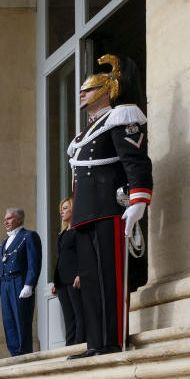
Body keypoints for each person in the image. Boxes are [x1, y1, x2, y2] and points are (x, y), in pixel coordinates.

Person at [67, 54, 152, 359]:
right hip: (87, 212)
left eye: (88, 90)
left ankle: (112, 341)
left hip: (108, 208)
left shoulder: (121, 117)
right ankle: (95, 344)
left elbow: (136, 162)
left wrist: (139, 200)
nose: (81, 94)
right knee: (90, 281)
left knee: (109, 278)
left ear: (105, 91)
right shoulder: (85, 133)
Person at [0, 209, 42, 356]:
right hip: (6, 284)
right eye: (5, 219)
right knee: (8, 320)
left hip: (19, 282)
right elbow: (0, 267)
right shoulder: (4, 242)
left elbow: (34, 263)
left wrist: (29, 284)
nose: (5, 221)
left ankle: (24, 352)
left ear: (19, 220)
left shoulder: (29, 236)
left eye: (9, 218)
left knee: (22, 318)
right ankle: (14, 353)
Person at [50, 198, 85, 347]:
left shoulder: (79, 231)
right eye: (61, 209)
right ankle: (70, 345)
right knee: (67, 315)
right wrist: (55, 281)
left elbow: (84, 254)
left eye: (65, 208)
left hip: (74, 278)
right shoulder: (62, 233)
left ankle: (79, 343)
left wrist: (81, 273)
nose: (61, 212)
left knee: (79, 313)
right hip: (62, 280)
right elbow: (60, 259)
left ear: (72, 209)